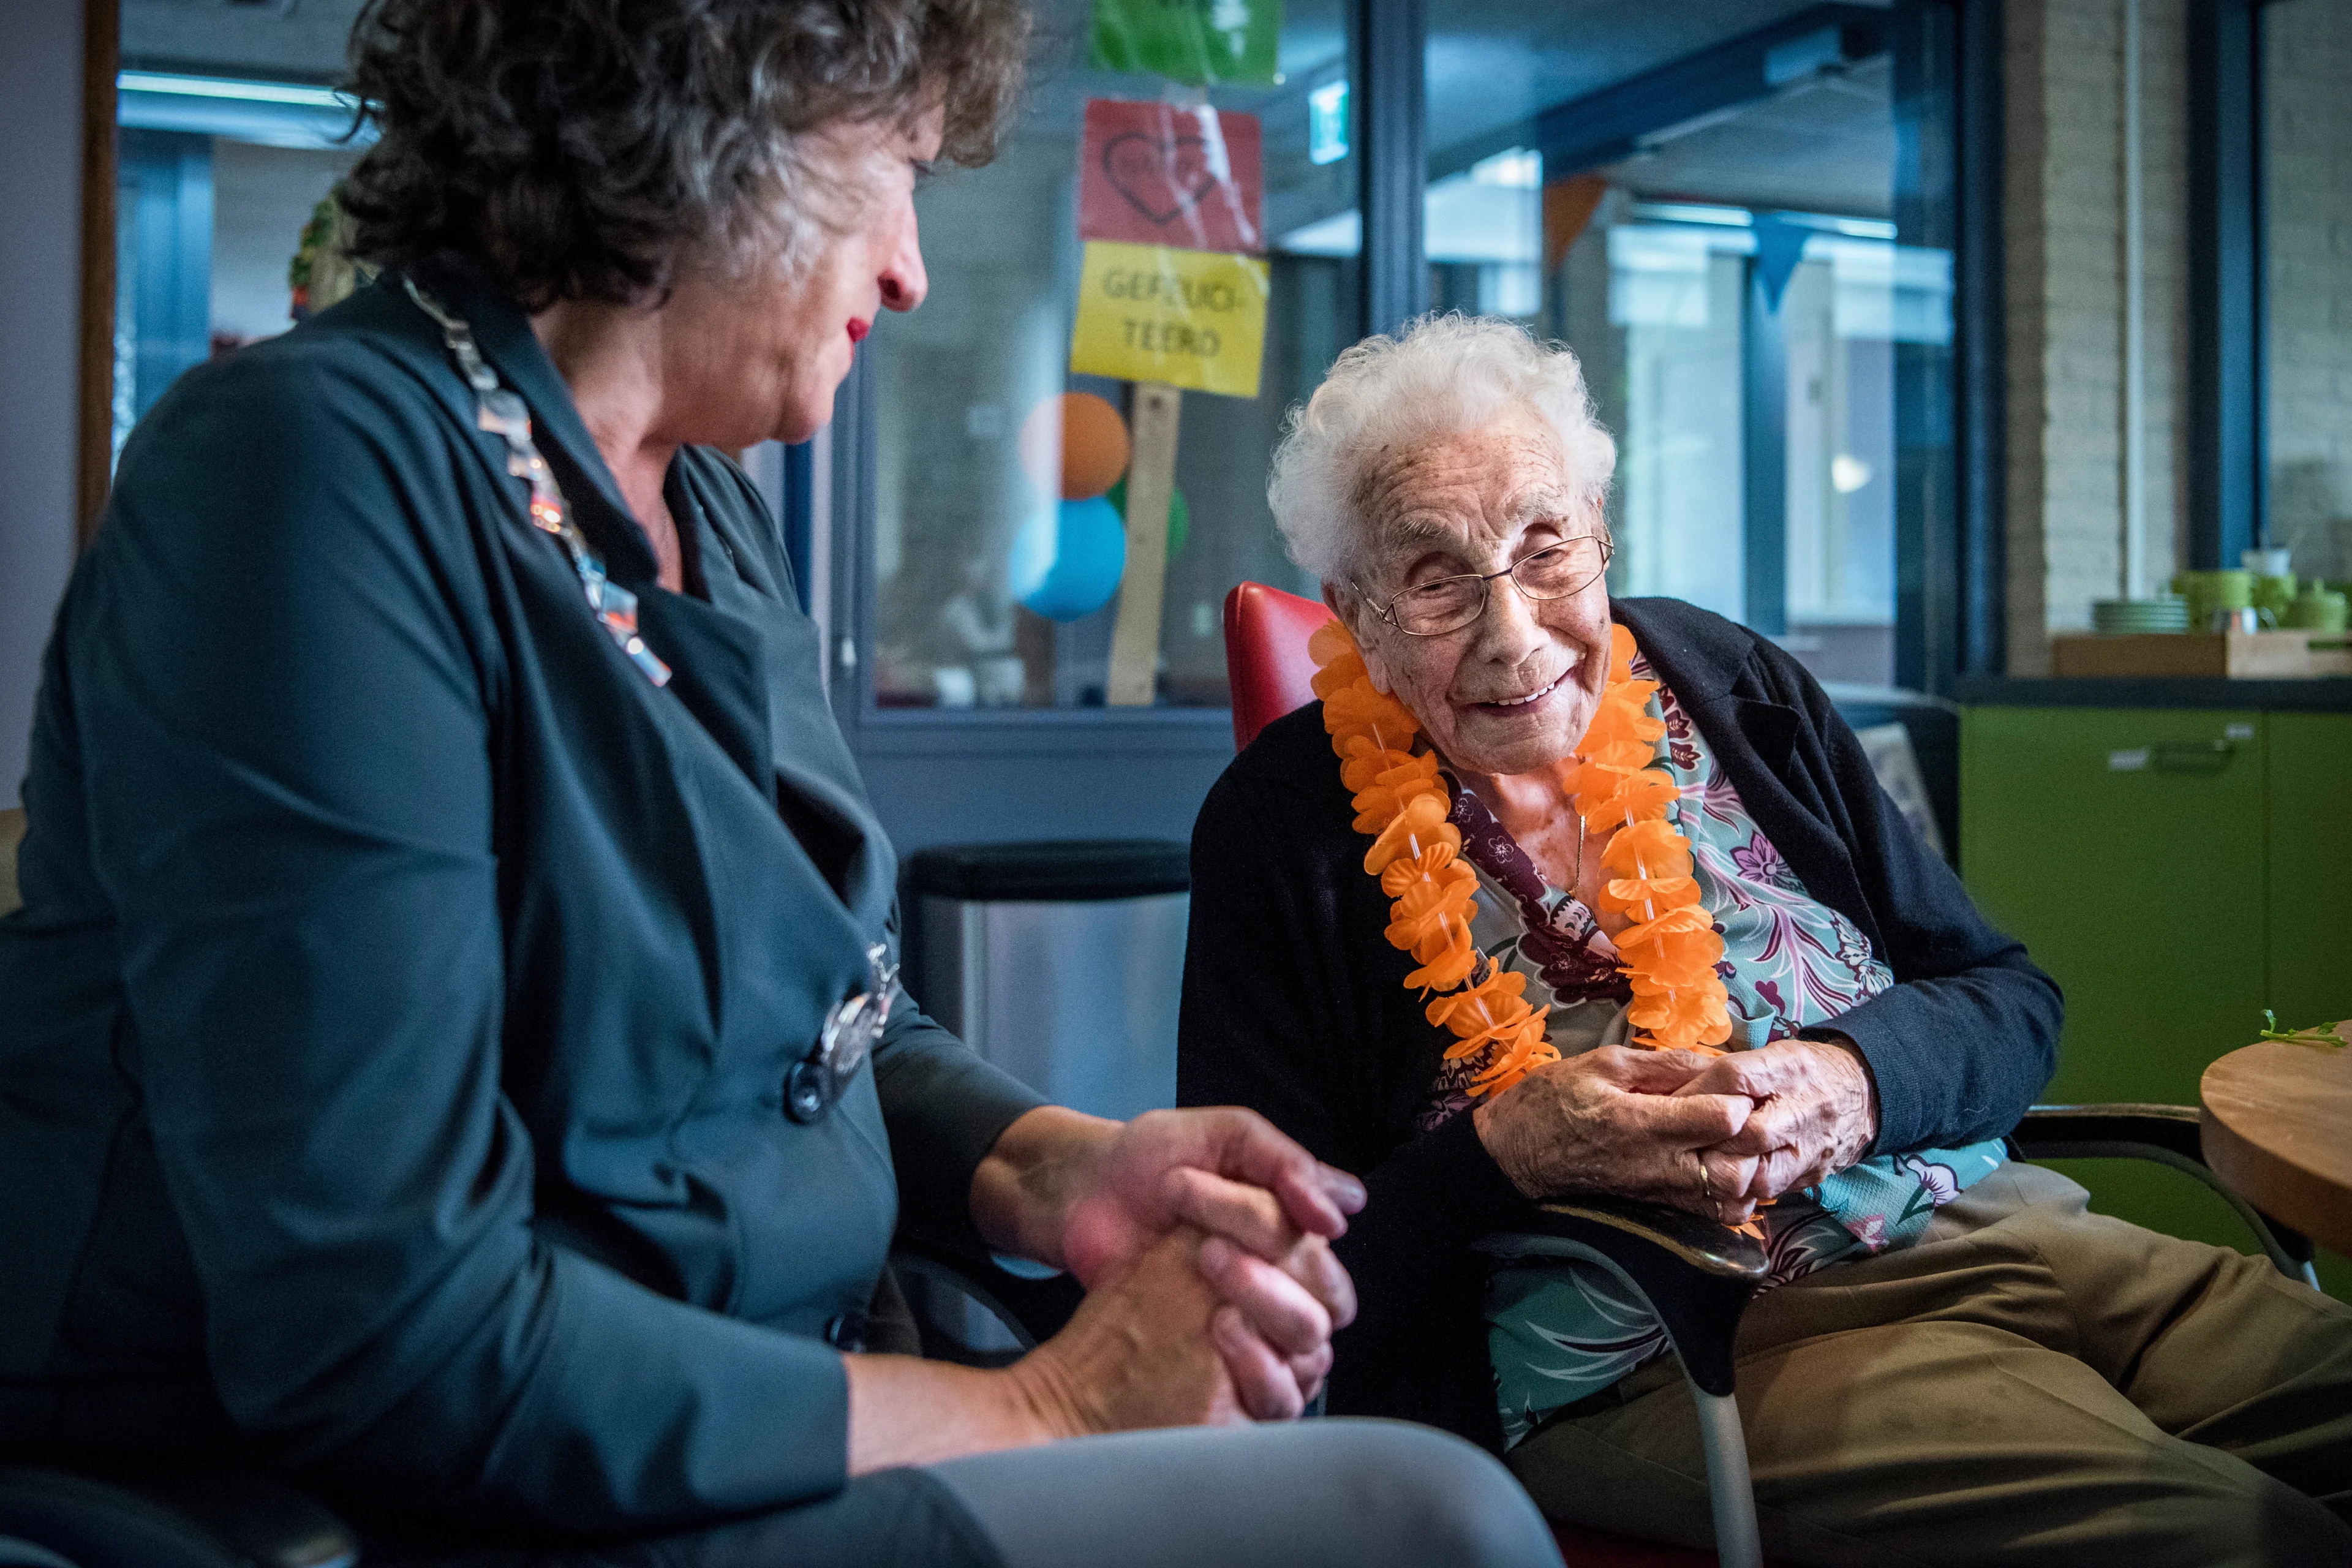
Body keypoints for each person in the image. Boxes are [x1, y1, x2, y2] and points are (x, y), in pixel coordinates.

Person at [0, 5, 1565, 1565]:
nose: (910, 265)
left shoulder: (706, 508)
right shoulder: (305, 477)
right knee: (1429, 1518)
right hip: (471, 1492)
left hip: (785, 1413)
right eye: (890, 168)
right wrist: (1048, 1409)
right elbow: (389, 1326)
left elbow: (830, 1012)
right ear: (705, 127)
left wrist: (1051, 1166)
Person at [1177, 313, 2352, 1568]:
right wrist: (1506, 1149)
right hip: (1689, 1347)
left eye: (1544, 548)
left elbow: (2011, 999)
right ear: (1355, 609)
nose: (1513, 633)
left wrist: (1855, 1080)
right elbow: (1260, 1255)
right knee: (2246, 1537)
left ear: (1602, 535)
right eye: (1437, 578)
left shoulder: (1730, 681)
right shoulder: (1282, 830)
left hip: (1995, 1224)